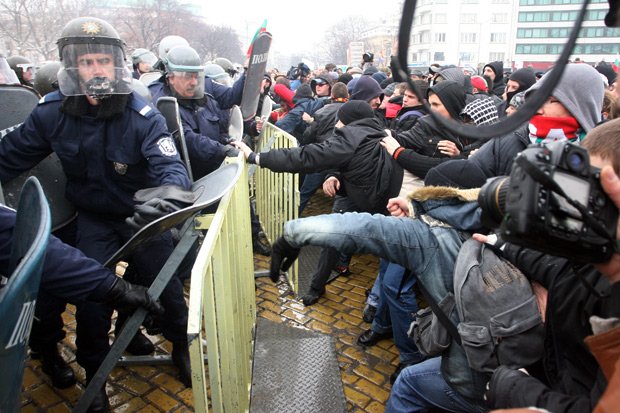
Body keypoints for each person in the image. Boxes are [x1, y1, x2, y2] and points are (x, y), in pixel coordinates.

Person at [0, 17, 193, 411]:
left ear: (117, 65)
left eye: (104, 61)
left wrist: (170, 195)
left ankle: (179, 346)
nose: (97, 70)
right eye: (87, 62)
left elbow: (170, 166)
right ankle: (96, 375)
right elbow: (10, 155)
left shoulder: (142, 114)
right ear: (71, 67)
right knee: (92, 301)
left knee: (170, 288)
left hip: (140, 215)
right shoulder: (50, 113)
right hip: (92, 219)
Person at [425, 63, 605, 189]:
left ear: (581, 106)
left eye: (551, 101)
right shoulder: (507, 140)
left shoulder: (606, 155)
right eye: (536, 99)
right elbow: (468, 179)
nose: (538, 109)